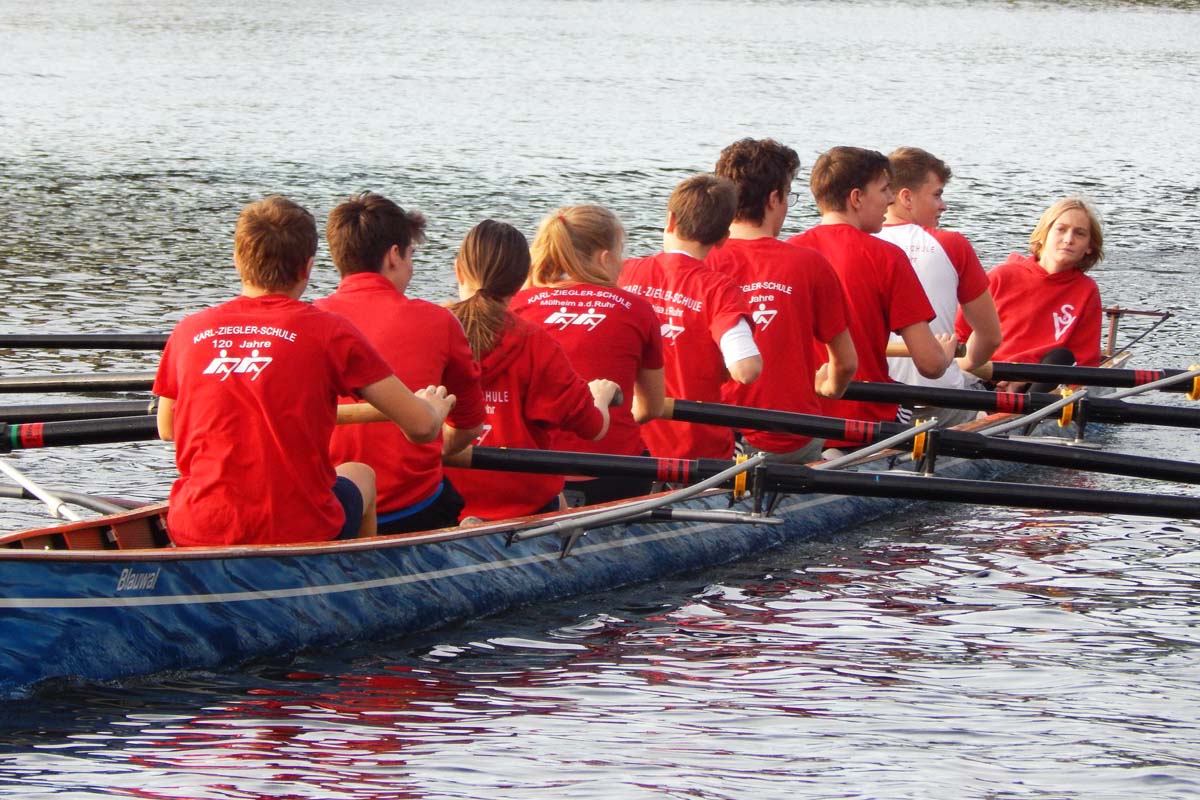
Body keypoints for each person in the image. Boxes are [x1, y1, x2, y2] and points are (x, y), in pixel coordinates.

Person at [153, 195, 456, 547]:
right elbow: (420, 428)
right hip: (300, 528)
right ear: (307, 267)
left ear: (238, 260)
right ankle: (354, 579)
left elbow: (167, 427)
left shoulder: (189, 330)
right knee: (361, 474)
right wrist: (434, 408)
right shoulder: (328, 331)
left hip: (196, 526)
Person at [316, 192, 486, 534]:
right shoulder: (438, 321)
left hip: (328, 505)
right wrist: (435, 448)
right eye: (411, 256)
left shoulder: (307, 321)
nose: (410, 266)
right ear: (394, 256)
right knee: (450, 496)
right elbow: (469, 425)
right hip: (410, 507)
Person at [442, 219, 620, 522]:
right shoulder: (535, 343)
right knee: (560, 497)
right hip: (522, 501)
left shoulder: (432, 329)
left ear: (458, 269)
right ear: (522, 279)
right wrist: (600, 397)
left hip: (443, 495)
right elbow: (592, 428)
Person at [788, 146, 954, 440]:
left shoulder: (789, 252)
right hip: (865, 420)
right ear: (856, 198)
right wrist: (946, 356)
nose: (890, 199)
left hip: (800, 419)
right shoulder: (888, 257)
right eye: (884, 189)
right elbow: (929, 365)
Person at [707, 138, 856, 463]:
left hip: (707, 432)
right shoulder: (809, 264)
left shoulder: (699, 262)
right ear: (774, 198)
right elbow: (845, 363)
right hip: (787, 438)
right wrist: (829, 388)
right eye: (789, 194)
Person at [512, 205, 665, 504]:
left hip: (529, 469)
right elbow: (651, 408)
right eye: (620, 254)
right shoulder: (638, 309)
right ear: (605, 258)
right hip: (612, 472)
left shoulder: (516, 303)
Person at [619, 174, 762, 460]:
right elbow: (746, 370)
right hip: (695, 449)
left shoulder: (624, 271)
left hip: (630, 442)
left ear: (670, 219)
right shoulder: (719, 289)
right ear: (723, 238)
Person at [875, 146, 1001, 426]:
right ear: (906, 197)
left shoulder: (856, 244)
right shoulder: (952, 244)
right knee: (974, 390)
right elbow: (990, 336)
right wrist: (963, 365)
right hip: (939, 401)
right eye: (937, 194)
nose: (943, 205)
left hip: (871, 398)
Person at [956, 197, 1104, 371]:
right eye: (1061, 230)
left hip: (1039, 383)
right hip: (985, 373)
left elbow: (1084, 359)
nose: (1068, 239)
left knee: (1061, 357)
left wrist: (1021, 380)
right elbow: (960, 335)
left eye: (1079, 233)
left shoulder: (1087, 291)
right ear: (1043, 236)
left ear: (1089, 247)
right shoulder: (1001, 276)